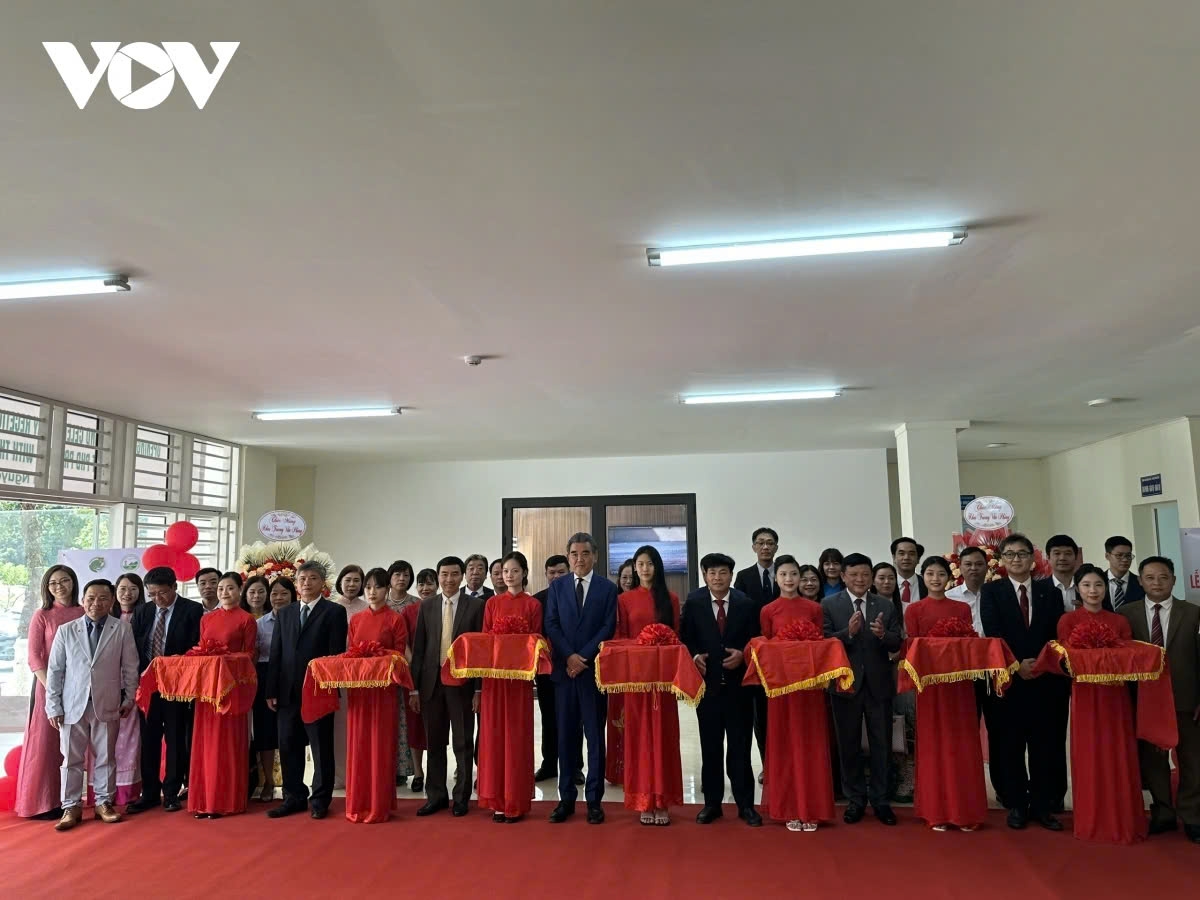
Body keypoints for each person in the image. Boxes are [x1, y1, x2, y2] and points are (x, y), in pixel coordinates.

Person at [980, 533, 1065, 831]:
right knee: (1011, 746)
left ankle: (1042, 806)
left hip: (1044, 682)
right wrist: (1017, 666)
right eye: (1010, 554)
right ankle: (1017, 804)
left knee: (1045, 746)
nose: (1017, 559)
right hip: (1010, 681)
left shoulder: (1049, 592)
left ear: (1032, 558)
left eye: (1022, 554)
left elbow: (1056, 635)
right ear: (1002, 560)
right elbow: (994, 632)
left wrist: (1038, 664)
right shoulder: (992, 592)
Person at [1057, 564, 1143, 844]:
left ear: (1105, 590)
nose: (1093, 591)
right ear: (1078, 590)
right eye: (1087, 586)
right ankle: (1092, 819)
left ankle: (1123, 819)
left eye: (1098, 586)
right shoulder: (1067, 621)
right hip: (1084, 695)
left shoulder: (1118, 621)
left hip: (1116, 696)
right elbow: (1064, 658)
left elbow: (1130, 657)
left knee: (1118, 751)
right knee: (1089, 752)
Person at [44, 579, 138, 831]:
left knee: (106, 757)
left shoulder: (121, 630)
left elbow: (130, 667)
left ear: (111, 601)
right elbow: (55, 671)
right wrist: (52, 706)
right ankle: (70, 806)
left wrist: (129, 698)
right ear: (83, 599)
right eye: (91, 598)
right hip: (72, 704)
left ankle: (104, 803)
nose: (96, 603)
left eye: (103, 598)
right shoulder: (66, 630)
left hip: (107, 704)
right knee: (71, 759)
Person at [1118, 556, 1200, 843]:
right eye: (1150, 577)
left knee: (1192, 759)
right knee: (1153, 761)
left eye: (1163, 577)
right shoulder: (1126, 615)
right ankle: (1163, 812)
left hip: (1185, 699)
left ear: (1174, 580)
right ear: (1140, 581)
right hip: (1145, 700)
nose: (1157, 583)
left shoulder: (1193, 613)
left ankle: (1192, 815)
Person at [903, 556, 986, 832]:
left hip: (959, 683)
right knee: (933, 743)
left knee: (962, 740)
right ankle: (936, 810)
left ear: (948, 577)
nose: (936, 578)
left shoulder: (961, 608)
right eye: (930, 573)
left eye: (940, 573)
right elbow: (912, 648)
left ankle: (966, 810)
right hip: (930, 686)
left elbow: (968, 643)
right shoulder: (914, 610)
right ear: (922, 577)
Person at [682, 553, 761, 826]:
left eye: (723, 572)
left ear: (731, 575)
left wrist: (744, 654)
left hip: (739, 689)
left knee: (740, 747)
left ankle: (746, 805)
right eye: (712, 573)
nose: (717, 578)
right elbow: (686, 638)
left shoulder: (746, 604)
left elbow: (756, 641)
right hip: (709, 688)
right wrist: (694, 657)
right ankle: (712, 804)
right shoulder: (693, 603)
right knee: (710, 747)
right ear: (705, 575)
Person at [823, 552, 902, 826]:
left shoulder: (885, 604)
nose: (860, 579)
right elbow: (823, 642)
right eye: (854, 574)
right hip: (845, 685)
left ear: (871, 577)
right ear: (843, 576)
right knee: (849, 745)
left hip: (879, 686)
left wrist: (883, 635)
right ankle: (855, 799)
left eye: (865, 575)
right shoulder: (828, 604)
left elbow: (897, 643)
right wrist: (848, 633)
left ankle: (881, 800)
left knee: (882, 745)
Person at [265, 560, 348, 820]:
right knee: (288, 744)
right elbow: (276, 653)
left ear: (322, 583)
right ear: (296, 583)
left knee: (321, 746)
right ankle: (293, 797)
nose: (306, 583)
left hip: (318, 690)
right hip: (288, 691)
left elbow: (336, 654)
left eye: (312, 578)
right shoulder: (286, 612)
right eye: (302, 579)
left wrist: (330, 687)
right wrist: (271, 689)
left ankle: (320, 799)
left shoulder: (333, 612)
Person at [544, 533, 618, 825]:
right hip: (564, 673)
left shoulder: (607, 589)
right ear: (568, 556)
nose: (579, 558)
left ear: (595, 556)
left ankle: (594, 801)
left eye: (585, 553)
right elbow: (551, 623)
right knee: (565, 737)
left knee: (595, 738)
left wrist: (583, 657)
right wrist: (569, 656)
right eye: (574, 554)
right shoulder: (558, 586)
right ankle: (565, 800)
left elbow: (607, 627)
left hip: (592, 673)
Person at [759, 555, 833, 832]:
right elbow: (767, 648)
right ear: (776, 578)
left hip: (809, 688)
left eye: (794, 574)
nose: (789, 580)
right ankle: (788, 806)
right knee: (785, 743)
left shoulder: (814, 608)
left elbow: (820, 645)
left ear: (800, 578)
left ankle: (812, 808)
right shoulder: (768, 610)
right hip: (781, 689)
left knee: (810, 742)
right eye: (784, 575)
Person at [409, 556, 484, 817]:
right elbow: (418, 650)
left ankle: (461, 797)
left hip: (462, 685)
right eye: (444, 574)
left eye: (454, 574)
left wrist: (478, 689)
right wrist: (415, 689)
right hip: (431, 686)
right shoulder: (427, 606)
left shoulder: (475, 606)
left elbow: (479, 651)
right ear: (438, 577)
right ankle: (436, 796)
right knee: (435, 742)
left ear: (462, 576)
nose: (449, 579)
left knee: (463, 742)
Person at [126, 567, 203, 814]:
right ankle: (149, 793)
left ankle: (171, 793)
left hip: (176, 686)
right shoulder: (143, 611)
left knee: (175, 739)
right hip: (147, 686)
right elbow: (133, 649)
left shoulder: (192, 610)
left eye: (162, 593)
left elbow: (196, 649)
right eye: (152, 594)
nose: (157, 599)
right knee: (148, 741)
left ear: (174, 588)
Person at [616, 545, 682, 826]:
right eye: (640, 564)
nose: (644, 569)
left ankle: (662, 800)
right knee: (639, 737)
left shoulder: (671, 598)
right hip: (637, 680)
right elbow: (619, 637)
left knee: (664, 737)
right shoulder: (625, 600)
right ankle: (643, 798)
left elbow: (677, 639)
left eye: (650, 563)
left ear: (658, 567)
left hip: (664, 682)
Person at [476, 551, 542, 823]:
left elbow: (538, 641)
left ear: (524, 573)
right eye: (505, 571)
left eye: (515, 571)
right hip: (494, 679)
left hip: (519, 681)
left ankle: (516, 800)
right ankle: (497, 800)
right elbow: (485, 640)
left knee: (516, 736)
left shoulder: (533, 605)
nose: (509, 575)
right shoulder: (492, 603)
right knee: (493, 735)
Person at [15, 565, 85, 819]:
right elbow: (34, 657)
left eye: (64, 580)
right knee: (44, 743)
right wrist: (54, 687)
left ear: (73, 582)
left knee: (74, 746)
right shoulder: (42, 615)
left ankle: (70, 800)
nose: (58, 586)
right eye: (52, 583)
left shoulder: (84, 611)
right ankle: (41, 803)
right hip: (48, 687)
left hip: (81, 687)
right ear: (46, 587)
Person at [189, 572, 256, 818]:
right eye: (220, 589)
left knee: (226, 745)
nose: (224, 593)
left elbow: (250, 655)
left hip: (231, 690)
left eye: (229, 588)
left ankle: (226, 801)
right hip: (207, 691)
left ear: (240, 590)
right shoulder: (207, 619)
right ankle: (204, 800)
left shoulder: (247, 619)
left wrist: (223, 660)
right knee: (205, 744)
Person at [344, 568, 409, 823]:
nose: (372, 592)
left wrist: (378, 661)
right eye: (368, 587)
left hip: (384, 692)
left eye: (378, 587)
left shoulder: (395, 619)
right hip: (359, 692)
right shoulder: (356, 620)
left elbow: (399, 657)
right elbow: (350, 654)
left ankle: (379, 804)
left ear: (386, 590)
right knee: (359, 745)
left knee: (381, 746)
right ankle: (358, 801)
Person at [735, 527, 780, 777]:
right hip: (756, 655)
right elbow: (740, 617)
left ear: (776, 547)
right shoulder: (743, 577)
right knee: (760, 714)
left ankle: (782, 761)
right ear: (753, 547)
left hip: (783, 656)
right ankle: (766, 764)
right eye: (760, 543)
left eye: (770, 543)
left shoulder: (784, 572)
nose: (765, 547)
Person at [532, 554, 578, 784]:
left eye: (561, 572)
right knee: (549, 718)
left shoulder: (577, 596)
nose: (556, 576)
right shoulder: (538, 600)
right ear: (546, 575)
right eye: (552, 573)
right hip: (546, 670)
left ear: (569, 572)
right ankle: (549, 763)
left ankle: (575, 766)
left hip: (572, 666)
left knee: (573, 717)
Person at [106, 573, 145, 806]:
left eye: (132, 588)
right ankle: (103, 791)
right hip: (107, 686)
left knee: (130, 738)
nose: (126, 593)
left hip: (134, 686)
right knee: (104, 739)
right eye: (122, 588)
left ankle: (127, 791)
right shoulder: (105, 618)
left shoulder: (145, 617)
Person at [332, 564, 369, 792]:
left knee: (359, 724)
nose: (352, 584)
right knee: (338, 726)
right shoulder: (331, 607)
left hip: (361, 675)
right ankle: (339, 775)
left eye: (356, 580)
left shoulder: (367, 608)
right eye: (348, 580)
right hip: (336, 673)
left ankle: (359, 772)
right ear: (340, 582)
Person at [386, 560, 422, 791]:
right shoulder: (382, 603)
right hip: (384, 674)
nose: (402, 578)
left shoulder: (416, 604)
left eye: (406, 575)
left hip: (409, 671)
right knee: (390, 722)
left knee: (409, 722)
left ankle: (415, 771)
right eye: (397, 574)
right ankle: (392, 770)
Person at [244, 574, 280, 802]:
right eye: (251, 591)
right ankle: (265, 780)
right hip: (259, 676)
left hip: (286, 675)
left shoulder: (285, 617)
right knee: (263, 733)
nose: (256, 596)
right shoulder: (256, 624)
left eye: (261, 592)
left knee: (286, 733)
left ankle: (285, 780)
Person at [947, 546, 987, 635]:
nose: (973, 568)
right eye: (968, 564)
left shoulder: (995, 595)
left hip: (993, 646)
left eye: (979, 564)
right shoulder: (949, 597)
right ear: (960, 568)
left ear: (986, 567)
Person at [1043, 534, 1083, 610]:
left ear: (1076, 557)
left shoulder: (1087, 587)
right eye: (1057, 553)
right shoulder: (1038, 589)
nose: (1062, 558)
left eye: (1068, 553)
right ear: (1048, 558)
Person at [1104, 536, 1143, 610]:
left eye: (1128, 555)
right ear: (1107, 556)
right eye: (1119, 555)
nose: (1125, 560)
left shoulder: (1141, 582)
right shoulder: (1098, 581)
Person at [891, 537, 927, 616]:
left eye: (911, 554)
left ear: (918, 559)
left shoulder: (927, 584)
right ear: (894, 558)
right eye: (901, 553)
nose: (906, 557)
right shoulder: (886, 585)